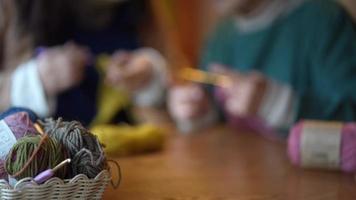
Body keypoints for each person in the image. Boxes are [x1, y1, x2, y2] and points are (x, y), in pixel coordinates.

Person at [168, 0, 356, 137]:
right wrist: (198, 109)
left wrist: (275, 102)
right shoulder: (222, 34)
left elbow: (350, 114)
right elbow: (213, 108)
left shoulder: (324, 20)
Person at [0, 0, 167, 125]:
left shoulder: (143, 9)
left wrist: (148, 76)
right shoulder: (10, 8)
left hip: (123, 156)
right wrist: (34, 80)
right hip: (40, 163)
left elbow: (177, 104)